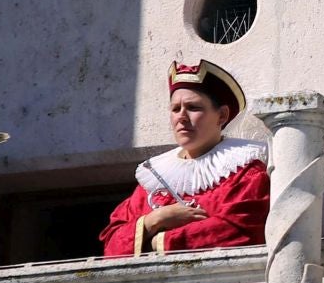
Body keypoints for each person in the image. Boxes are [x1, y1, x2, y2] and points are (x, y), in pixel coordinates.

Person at [101, 60, 269, 258]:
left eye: (193, 107)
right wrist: (155, 219)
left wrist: (158, 241)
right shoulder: (153, 178)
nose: (181, 117)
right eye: (175, 109)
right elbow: (112, 244)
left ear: (222, 115)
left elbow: (241, 232)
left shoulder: (245, 173)